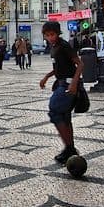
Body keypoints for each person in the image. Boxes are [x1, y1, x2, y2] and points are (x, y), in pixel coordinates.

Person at [38, 21, 84, 164]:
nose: (50, 37)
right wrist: (47, 76)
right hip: (62, 82)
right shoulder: (54, 47)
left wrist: (74, 84)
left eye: (52, 34)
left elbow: (80, 64)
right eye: (47, 35)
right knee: (65, 116)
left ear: (58, 34)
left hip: (68, 84)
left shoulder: (64, 46)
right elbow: (60, 67)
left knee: (55, 111)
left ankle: (69, 148)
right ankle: (69, 149)